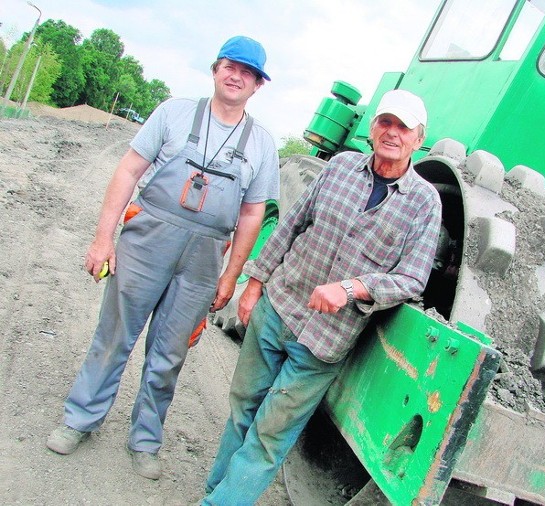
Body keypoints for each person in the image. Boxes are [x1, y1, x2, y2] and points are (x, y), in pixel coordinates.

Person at [46, 35, 280, 481]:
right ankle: (80, 419)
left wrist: (230, 276)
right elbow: (129, 170)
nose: (237, 76)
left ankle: (146, 439)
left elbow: (252, 214)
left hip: (204, 259)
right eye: (231, 66)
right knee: (114, 336)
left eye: (248, 73)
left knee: (169, 355)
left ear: (257, 86)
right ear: (215, 69)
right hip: (146, 240)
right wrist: (103, 239)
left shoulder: (262, 145)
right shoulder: (173, 113)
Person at [200, 89, 442, 505]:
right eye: (385, 122)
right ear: (372, 127)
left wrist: (352, 289)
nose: (392, 132)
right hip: (278, 309)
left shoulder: (424, 203)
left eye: (403, 127)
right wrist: (254, 284)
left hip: (326, 341)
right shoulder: (341, 167)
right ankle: (216, 490)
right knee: (243, 407)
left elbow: (412, 279)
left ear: (418, 139)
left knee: (270, 434)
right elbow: (291, 225)